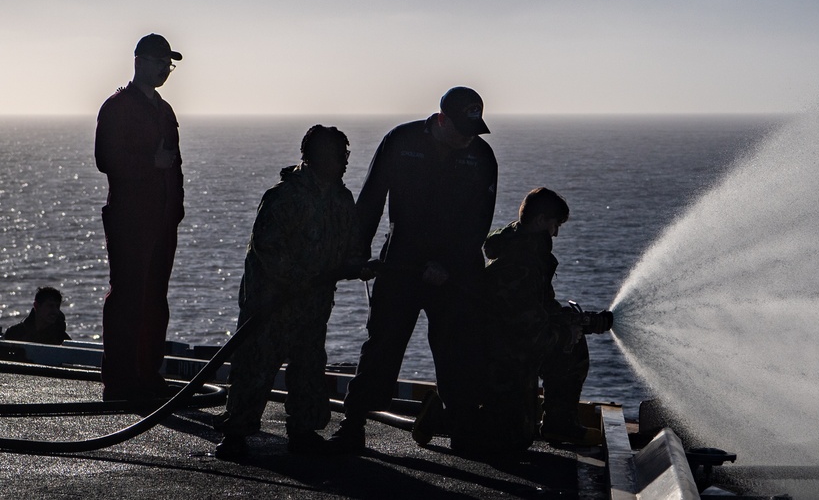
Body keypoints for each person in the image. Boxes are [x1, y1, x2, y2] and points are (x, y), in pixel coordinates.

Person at [328, 86, 498, 454]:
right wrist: (356, 255)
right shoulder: (400, 141)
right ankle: (353, 423)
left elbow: (479, 222)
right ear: (441, 120)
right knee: (382, 346)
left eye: (474, 131)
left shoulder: (482, 156)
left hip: (453, 273)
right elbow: (371, 198)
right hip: (400, 264)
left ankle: (464, 429)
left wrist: (448, 265)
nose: (468, 139)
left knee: (458, 353)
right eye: (462, 130)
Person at [215, 125, 366, 460]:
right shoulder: (285, 197)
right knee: (255, 365)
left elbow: (350, 244)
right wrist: (305, 278)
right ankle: (236, 432)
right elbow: (268, 250)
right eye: (339, 155)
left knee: (309, 367)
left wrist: (357, 264)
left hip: (313, 306)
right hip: (272, 304)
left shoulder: (341, 199)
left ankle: (304, 430)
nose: (344, 162)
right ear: (317, 158)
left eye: (346, 155)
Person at [458, 187, 612, 454]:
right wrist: (567, 334)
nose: (556, 233)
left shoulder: (524, 252)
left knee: (571, 341)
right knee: (513, 440)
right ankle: (445, 415)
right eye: (555, 225)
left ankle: (559, 424)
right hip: (499, 359)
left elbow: (540, 309)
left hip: (505, 349)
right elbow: (527, 334)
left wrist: (580, 322)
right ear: (540, 221)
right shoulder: (521, 265)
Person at [95, 33, 184, 402]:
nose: (166, 70)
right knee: (129, 296)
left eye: (169, 64)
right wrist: (151, 164)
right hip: (130, 219)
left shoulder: (164, 110)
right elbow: (106, 159)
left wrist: (176, 208)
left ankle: (147, 373)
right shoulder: (116, 108)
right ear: (139, 62)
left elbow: (175, 163)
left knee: (155, 298)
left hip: (162, 220)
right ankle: (120, 379)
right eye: (161, 62)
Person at [2, 287, 71, 345]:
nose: (55, 311)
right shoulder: (15, 333)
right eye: (50, 306)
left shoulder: (62, 340)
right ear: (36, 306)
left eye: (57, 306)